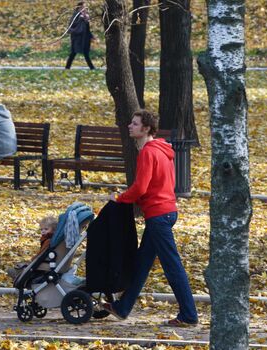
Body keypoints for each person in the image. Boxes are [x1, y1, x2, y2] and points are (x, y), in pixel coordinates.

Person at [102, 110, 199, 327]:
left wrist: (119, 198)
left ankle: (189, 315)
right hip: (166, 212)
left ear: (146, 129)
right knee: (142, 263)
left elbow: (140, 188)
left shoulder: (147, 152)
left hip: (158, 216)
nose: (130, 126)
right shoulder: (163, 151)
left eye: (135, 124)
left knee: (172, 266)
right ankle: (122, 307)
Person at [65, 1, 95, 70]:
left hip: (85, 37)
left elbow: (87, 28)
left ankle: (92, 67)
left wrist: (91, 36)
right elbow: (72, 25)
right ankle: (67, 67)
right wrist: (80, 19)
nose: (85, 8)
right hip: (77, 37)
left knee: (86, 52)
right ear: (79, 7)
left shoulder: (86, 16)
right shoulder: (75, 15)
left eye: (85, 6)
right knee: (74, 52)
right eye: (83, 6)